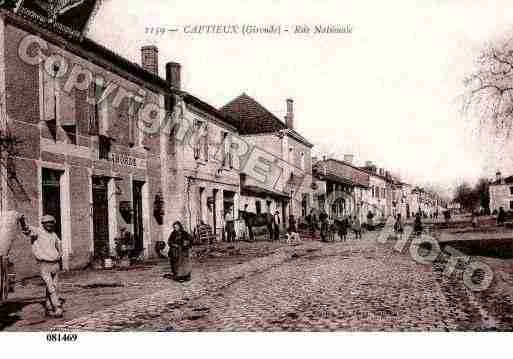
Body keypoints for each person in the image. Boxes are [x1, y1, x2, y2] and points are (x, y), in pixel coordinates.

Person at [20, 214, 64, 318]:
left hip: (55, 264)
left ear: (53, 223)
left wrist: (60, 253)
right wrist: (22, 221)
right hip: (44, 264)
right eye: (46, 223)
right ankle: (57, 307)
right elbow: (26, 229)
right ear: (43, 224)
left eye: (51, 222)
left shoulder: (53, 234)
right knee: (51, 287)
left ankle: (49, 308)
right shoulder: (37, 232)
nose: (49, 225)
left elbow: (59, 243)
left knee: (54, 287)